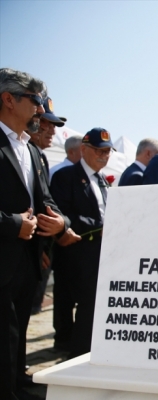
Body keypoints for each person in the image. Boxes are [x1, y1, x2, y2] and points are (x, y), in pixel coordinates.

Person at [0, 68, 67, 400]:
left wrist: (61, 223)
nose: (41, 109)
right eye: (36, 100)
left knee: (18, 335)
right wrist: (14, 224)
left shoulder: (33, 151)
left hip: (27, 264)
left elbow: (47, 201)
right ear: (8, 100)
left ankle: (18, 384)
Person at [50, 128, 114, 358]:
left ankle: (88, 354)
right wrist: (100, 225)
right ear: (84, 149)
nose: (104, 156)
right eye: (99, 150)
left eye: (107, 151)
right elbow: (63, 214)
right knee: (85, 311)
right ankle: (77, 356)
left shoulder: (102, 181)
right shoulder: (65, 176)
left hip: (100, 255)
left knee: (94, 310)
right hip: (77, 254)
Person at [30, 97, 67, 315]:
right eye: (45, 122)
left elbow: (45, 205)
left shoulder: (39, 156)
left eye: (53, 125)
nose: (52, 130)